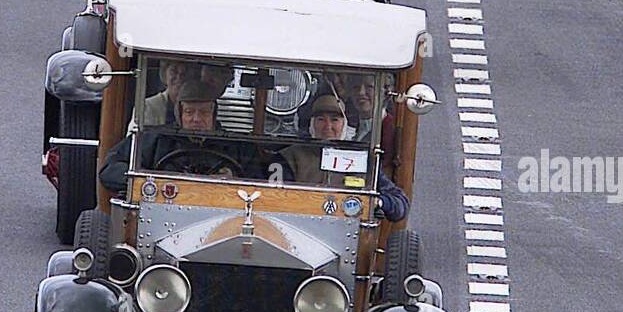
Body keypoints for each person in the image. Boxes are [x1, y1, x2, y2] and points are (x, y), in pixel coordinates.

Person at [100, 80, 246, 190]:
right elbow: (110, 169)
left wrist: (232, 179)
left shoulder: (235, 146)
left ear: (214, 115)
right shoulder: (154, 139)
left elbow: (259, 180)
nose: (196, 119)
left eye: (204, 112)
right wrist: (151, 181)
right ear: (179, 114)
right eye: (189, 112)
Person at [280, 93, 407, 216]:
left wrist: (377, 202)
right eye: (321, 120)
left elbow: (400, 204)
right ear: (311, 124)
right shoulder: (290, 157)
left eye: (334, 120)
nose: (328, 126)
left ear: (344, 124)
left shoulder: (363, 159)